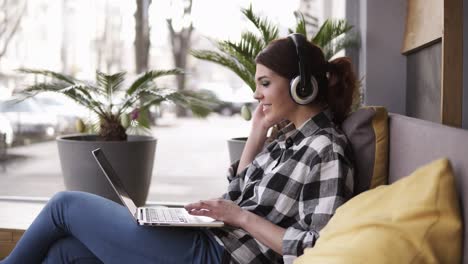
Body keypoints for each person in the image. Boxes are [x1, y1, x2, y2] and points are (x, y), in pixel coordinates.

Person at [0, 33, 356, 264]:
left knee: (66, 205)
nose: (256, 94)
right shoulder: (288, 139)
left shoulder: (326, 150)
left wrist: (240, 217)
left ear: (301, 87)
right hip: (213, 242)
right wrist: (256, 133)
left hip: (220, 257)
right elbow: (237, 195)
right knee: (65, 253)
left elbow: (316, 247)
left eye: (264, 83)